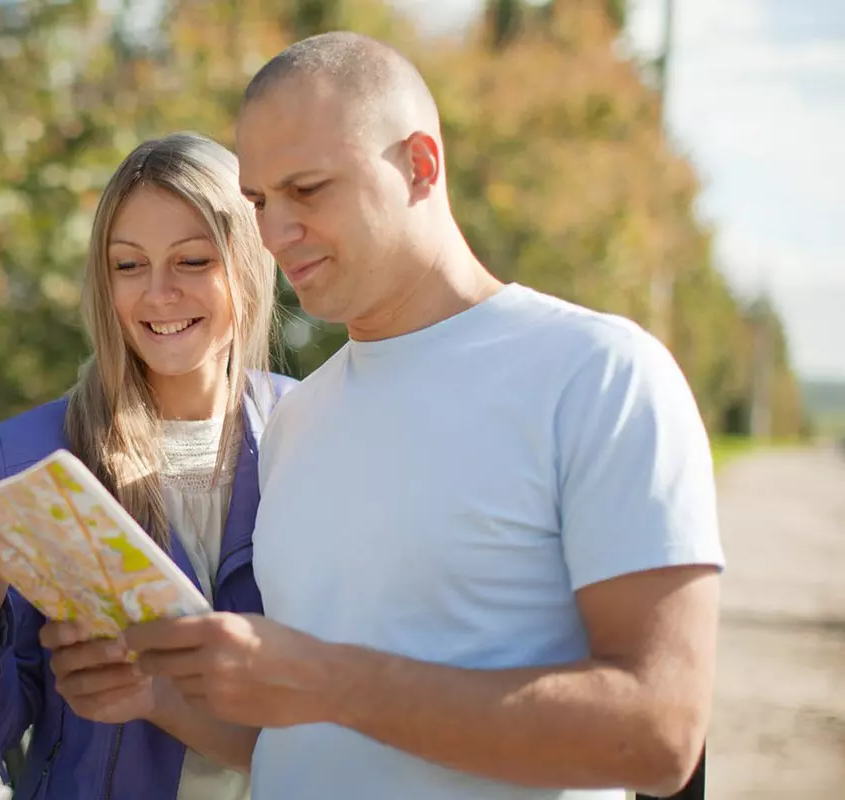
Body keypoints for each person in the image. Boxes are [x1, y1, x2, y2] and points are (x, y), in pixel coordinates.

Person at [41, 32, 725, 800]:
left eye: (308, 189)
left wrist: (327, 681)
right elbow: (302, 738)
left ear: (420, 165)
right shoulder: (296, 421)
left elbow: (661, 736)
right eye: (260, 202)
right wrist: (157, 699)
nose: (273, 233)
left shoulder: (598, 374)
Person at [0, 131, 296, 800]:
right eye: (128, 265)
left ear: (246, 263)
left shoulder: (315, 435)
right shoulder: (26, 457)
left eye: (191, 261)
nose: (158, 294)